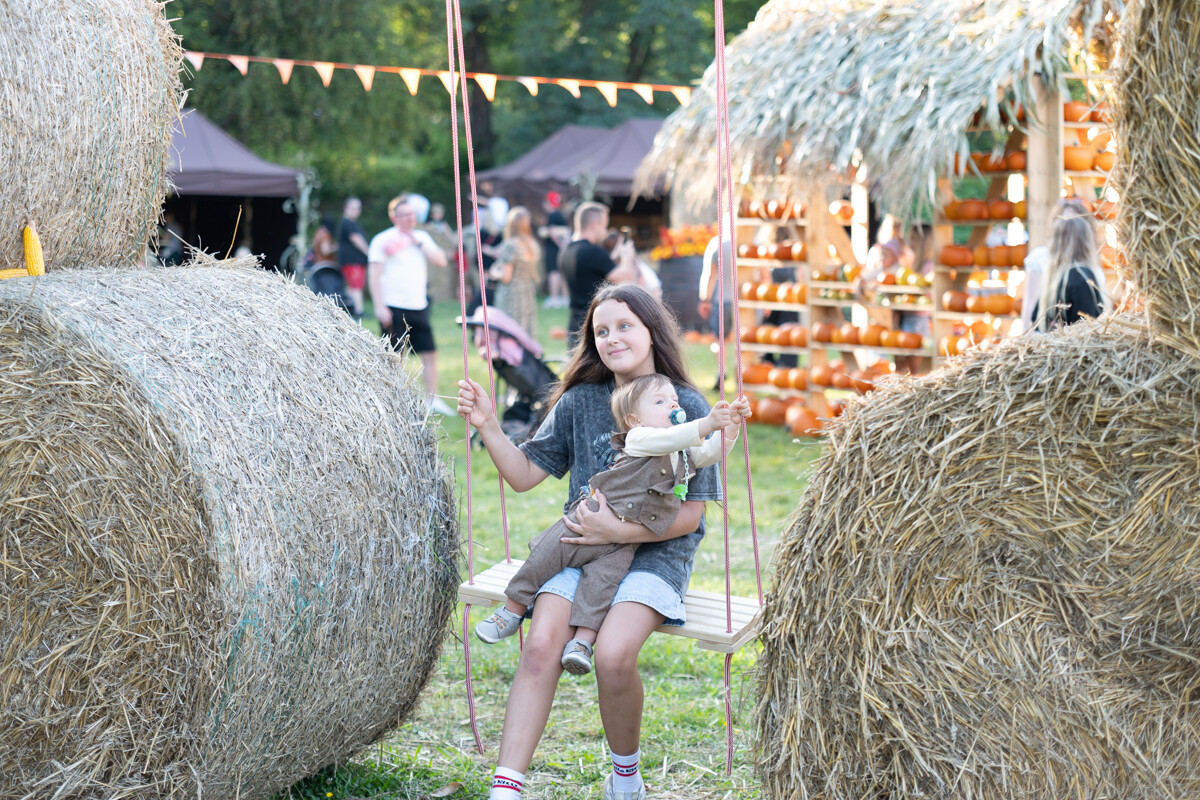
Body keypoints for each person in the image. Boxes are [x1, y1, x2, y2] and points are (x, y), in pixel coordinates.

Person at [457, 283, 750, 800]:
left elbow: (689, 516)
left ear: (652, 331)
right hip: (582, 546)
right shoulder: (581, 402)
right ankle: (507, 786)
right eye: (601, 330)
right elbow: (525, 475)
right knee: (543, 641)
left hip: (655, 557)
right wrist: (489, 426)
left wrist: (618, 530)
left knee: (614, 655)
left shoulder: (685, 406)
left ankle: (625, 775)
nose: (613, 337)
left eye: (625, 326)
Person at [474, 373, 747, 677]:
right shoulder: (640, 438)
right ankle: (510, 612)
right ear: (634, 419)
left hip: (622, 541)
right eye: (660, 402)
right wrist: (706, 423)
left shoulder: (680, 451)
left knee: (601, 586)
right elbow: (670, 438)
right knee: (547, 555)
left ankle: (581, 643)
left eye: (674, 400)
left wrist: (729, 427)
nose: (672, 405)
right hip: (588, 519)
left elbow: (710, 452)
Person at [368, 194, 452, 415]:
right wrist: (379, 305)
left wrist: (419, 242)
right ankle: (393, 399)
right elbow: (374, 275)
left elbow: (441, 260)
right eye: (404, 215)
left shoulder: (422, 237)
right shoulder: (382, 240)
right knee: (394, 356)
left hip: (419, 305)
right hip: (393, 305)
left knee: (430, 353)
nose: (409, 219)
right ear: (394, 217)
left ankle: (432, 399)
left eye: (412, 214)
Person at [560, 202, 638, 347]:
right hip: (593, 325)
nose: (605, 232)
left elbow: (594, 271)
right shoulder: (593, 251)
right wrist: (627, 257)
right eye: (604, 226)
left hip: (574, 324)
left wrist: (616, 257)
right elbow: (627, 281)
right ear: (594, 225)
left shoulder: (566, 251)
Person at [1030, 206, 1111, 332]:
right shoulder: (1082, 279)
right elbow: (1089, 332)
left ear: (1056, 243)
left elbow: (1036, 323)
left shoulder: (1054, 279)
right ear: (1086, 240)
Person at [492, 206, 542, 337]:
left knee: (510, 330)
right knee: (526, 330)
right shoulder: (532, 244)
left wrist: (494, 273)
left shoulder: (510, 245)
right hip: (527, 290)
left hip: (511, 293)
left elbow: (506, 277)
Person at [337, 197, 371, 318]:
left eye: (358, 208)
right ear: (346, 208)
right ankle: (358, 311)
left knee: (352, 287)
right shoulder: (347, 223)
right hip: (352, 261)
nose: (357, 211)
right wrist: (369, 253)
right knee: (355, 286)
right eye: (353, 208)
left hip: (352, 261)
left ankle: (349, 309)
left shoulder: (351, 222)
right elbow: (356, 239)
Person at [697, 235, 735, 339]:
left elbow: (709, 275)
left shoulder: (717, 243)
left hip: (724, 300)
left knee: (720, 340)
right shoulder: (753, 242)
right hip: (745, 300)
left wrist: (705, 300)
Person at [538, 191, 571, 308]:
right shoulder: (560, 214)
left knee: (553, 272)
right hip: (561, 249)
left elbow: (552, 232)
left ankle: (554, 297)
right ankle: (564, 297)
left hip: (553, 249)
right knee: (562, 272)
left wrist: (561, 245)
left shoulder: (552, 215)